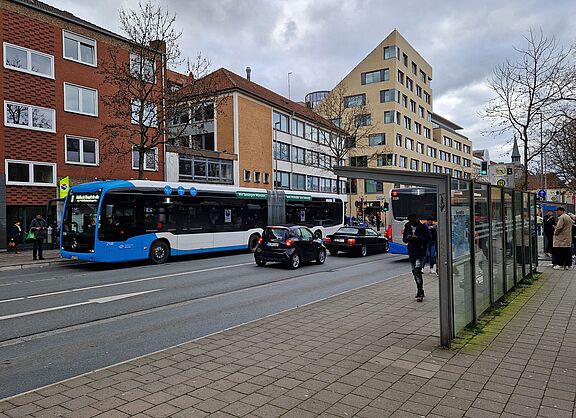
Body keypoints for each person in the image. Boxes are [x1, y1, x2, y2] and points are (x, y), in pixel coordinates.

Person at [402, 213, 431, 301]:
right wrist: (408, 238)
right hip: (412, 252)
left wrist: (418, 238)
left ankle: (419, 291)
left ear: (415, 219)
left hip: (420, 252)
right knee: (415, 272)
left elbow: (429, 238)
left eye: (412, 221)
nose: (410, 222)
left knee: (417, 270)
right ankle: (420, 289)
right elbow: (404, 240)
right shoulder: (407, 226)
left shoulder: (423, 227)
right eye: (409, 221)